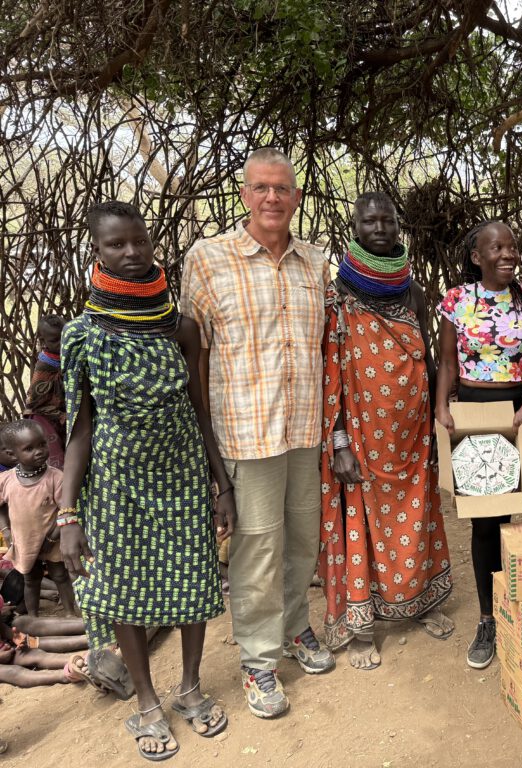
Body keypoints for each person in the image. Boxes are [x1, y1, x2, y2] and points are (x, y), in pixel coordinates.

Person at [60, 201, 235, 760]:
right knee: (122, 591)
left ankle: (188, 687)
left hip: (182, 473)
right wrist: (67, 513)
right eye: (117, 245)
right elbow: (80, 431)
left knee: (192, 579)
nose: (132, 253)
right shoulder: (81, 335)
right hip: (114, 484)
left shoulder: (181, 327)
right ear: (96, 251)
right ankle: (146, 701)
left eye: (139, 241)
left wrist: (221, 485)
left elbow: (200, 411)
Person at [180, 148, 335, 719]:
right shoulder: (209, 259)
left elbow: (330, 348)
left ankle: (296, 627)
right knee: (257, 549)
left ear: (296, 198)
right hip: (247, 434)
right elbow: (194, 355)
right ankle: (259, 662)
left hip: (304, 428)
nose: (273, 197)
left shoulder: (314, 262)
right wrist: (206, 446)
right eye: (261, 188)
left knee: (302, 540)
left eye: (283, 189)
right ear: (244, 194)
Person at [320, 191, 453, 671]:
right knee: (365, 528)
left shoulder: (413, 292)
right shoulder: (339, 295)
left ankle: (419, 604)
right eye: (370, 221)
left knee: (417, 522)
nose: (380, 228)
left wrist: (439, 413)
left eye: (389, 221)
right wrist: (338, 442)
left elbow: (428, 356)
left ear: (399, 228)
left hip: (413, 431)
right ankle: (362, 629)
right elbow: (331, 375)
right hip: (361, 433)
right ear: (355, 229)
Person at [436, 219, 522, 669]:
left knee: (507, 511)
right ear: (476, 257)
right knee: (482, 520)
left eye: (513, 247)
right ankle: (488, 617)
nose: (508, 254)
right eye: (497, 248)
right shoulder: (458, 301)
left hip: (513, 408)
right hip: (471, 409)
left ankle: (508, 606)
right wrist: (442, 409)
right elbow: (447, 362)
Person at [0, 420, 76, 616]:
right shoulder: (6, 480)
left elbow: (66, 509)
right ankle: (33, 615)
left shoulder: (55, 478)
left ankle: (69, 612)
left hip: (53, 537)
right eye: (29, 448)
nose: (39, 451)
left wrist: (52, 538)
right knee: (30, 579)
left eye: (42, 444)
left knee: (60, 575)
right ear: (11, 454)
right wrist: (6, 531)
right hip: (24, 540)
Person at [23, 315, 67, 469]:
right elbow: (35, 402)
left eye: (64, 337)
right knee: (55, 461)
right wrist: (60, 415)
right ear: (43, 341)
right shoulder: (44, 366)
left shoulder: (67, 357)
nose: (61, 343)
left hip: (61, 416)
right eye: (55, 340)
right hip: (44, 417)